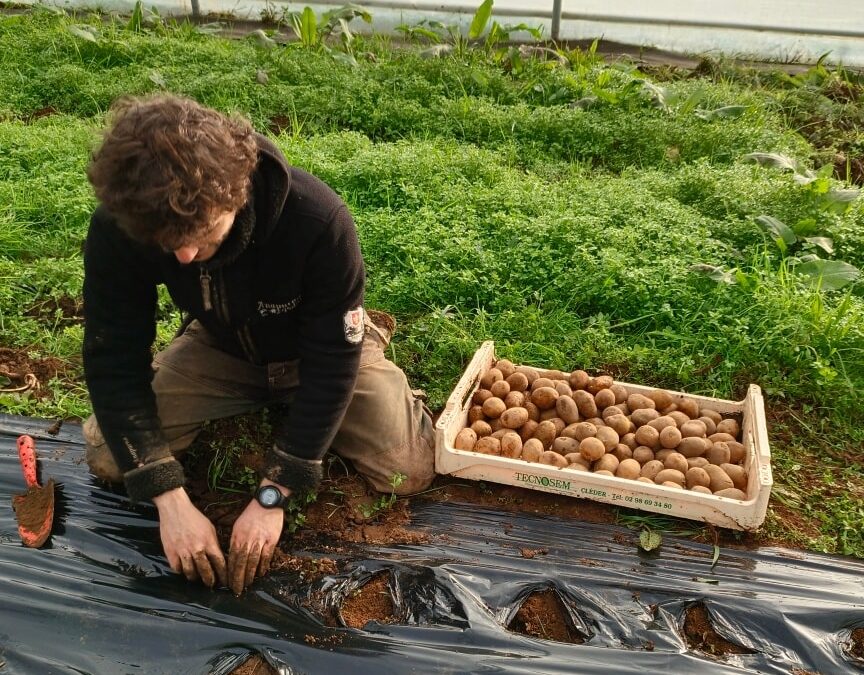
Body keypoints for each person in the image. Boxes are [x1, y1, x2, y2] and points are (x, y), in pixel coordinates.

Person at [81, 94, 436, 595]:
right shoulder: (122, 225)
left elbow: (333, 365)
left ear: (237, 191)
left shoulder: (317, 221)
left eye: (202, 234)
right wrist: (170, 500)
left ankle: (364, 332)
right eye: (166, 242)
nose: (183, 255)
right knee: (110, 455)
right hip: (222, 348)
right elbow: (112, 355)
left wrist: (274, 494)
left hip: (317, 349)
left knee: (410, 468)